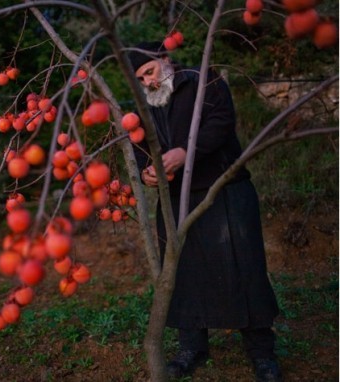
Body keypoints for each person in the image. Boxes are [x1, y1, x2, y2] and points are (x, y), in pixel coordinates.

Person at [128, 41, 282, 382]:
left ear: (165, 60)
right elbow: (139, 143)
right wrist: (146, 171)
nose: (148, 83)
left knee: (246, 269)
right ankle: (192, 347)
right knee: (183, 275)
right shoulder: (145, 103)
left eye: (150, 72)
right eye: (140, 79)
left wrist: (187, 151)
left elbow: (222, 123)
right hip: (176, 199)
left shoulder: (204, 82)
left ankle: (262, 352)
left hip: (222, 191)